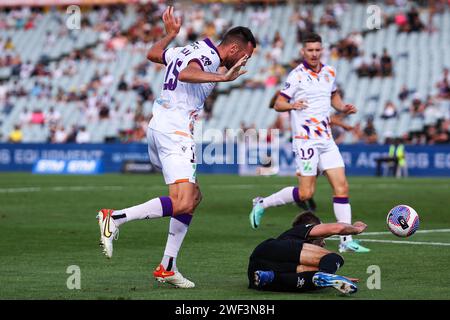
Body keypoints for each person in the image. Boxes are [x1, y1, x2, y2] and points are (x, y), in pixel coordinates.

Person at [97, 6, 255, 288]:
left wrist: (170, 34)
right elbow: (186, 75)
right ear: (233, 48)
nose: (245, 61)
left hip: (159, 126)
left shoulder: (187, 48)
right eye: (246, 55)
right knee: (184, 200)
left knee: (192, 197)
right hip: (175, 131)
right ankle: (115, 218)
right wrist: (223, 78)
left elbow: (153, 54)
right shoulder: (206, 57)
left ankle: (167, 266)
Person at [249, 33, 369, 253]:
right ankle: (262, 203)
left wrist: (343, 108)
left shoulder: (329, 72)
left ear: (321, 50)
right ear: (303, 52)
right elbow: (278, 104)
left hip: (326, 140)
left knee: (342, 187)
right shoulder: (296, 76)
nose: (314, 53)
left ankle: (346, 241)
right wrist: (293, 105)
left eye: (317, 49)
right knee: (305, 194)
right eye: (310, 50)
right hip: (305, 142)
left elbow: (333, 97)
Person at [248, 211, 367, 294]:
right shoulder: (300, 230)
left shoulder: (291, 240)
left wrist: (336, 278)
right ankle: (327, 274)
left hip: (258, 275)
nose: (324, 243)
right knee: (335, 258)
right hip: (271, 249)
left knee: (312, 281)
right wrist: (356, 229)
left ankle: (269, 276)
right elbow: (338, 228)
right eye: (322, 237)